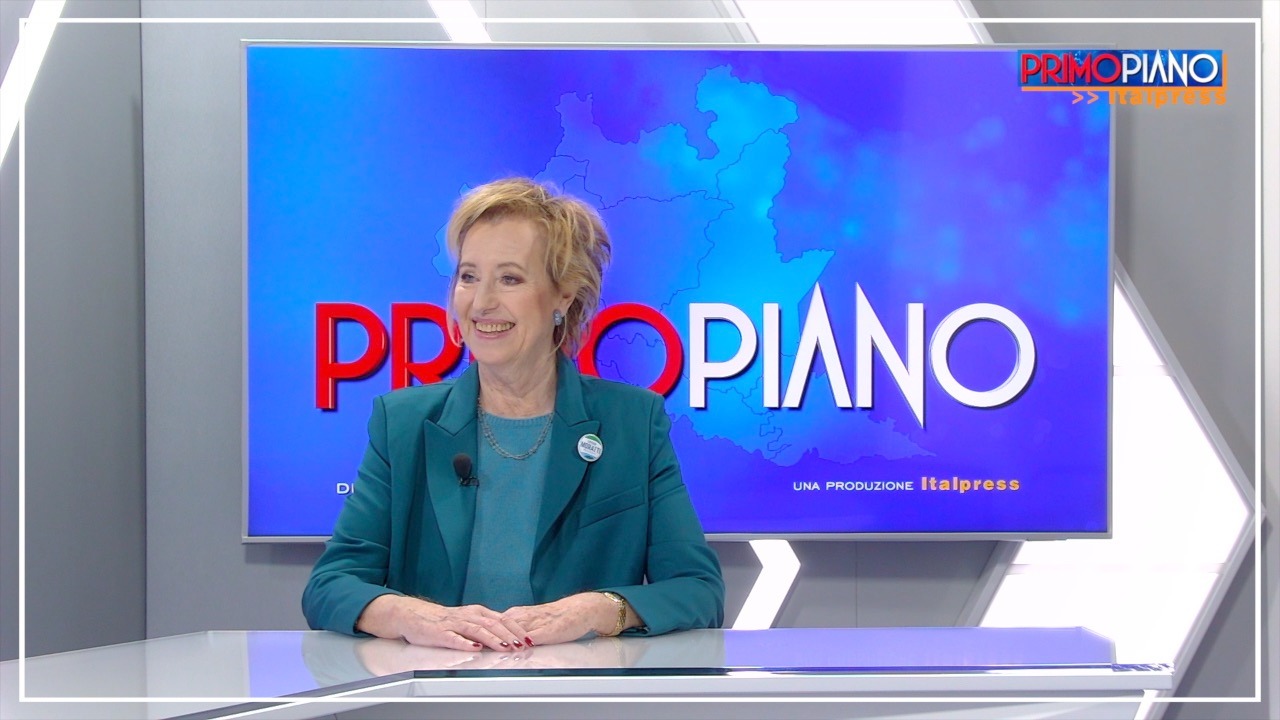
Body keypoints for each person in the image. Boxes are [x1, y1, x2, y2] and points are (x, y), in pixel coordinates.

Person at [302, 177, 724, 651]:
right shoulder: (402, 422)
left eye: (510, 279)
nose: (481, 303)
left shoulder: (633, 422)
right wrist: (409, 614)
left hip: (578, 685)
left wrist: (598, 609)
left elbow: (697, 590)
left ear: (564, 295)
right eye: (468, 277)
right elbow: (330, 586)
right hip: (439, 687)